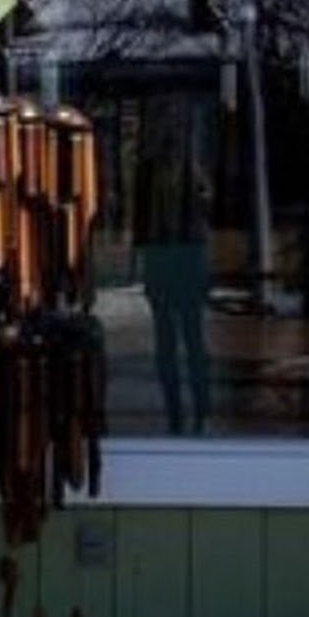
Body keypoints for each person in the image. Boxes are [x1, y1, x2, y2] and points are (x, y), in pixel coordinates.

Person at [135, 91, 214, 435]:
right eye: (164, 122)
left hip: (186, 259)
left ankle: (201, 410)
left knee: (193, 340)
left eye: (175, 122)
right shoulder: (148, 169)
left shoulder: (194, 167)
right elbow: (140, 222)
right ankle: (175, 415)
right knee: (166, 344)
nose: (169, 129)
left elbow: (207, 210)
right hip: (161, 260)